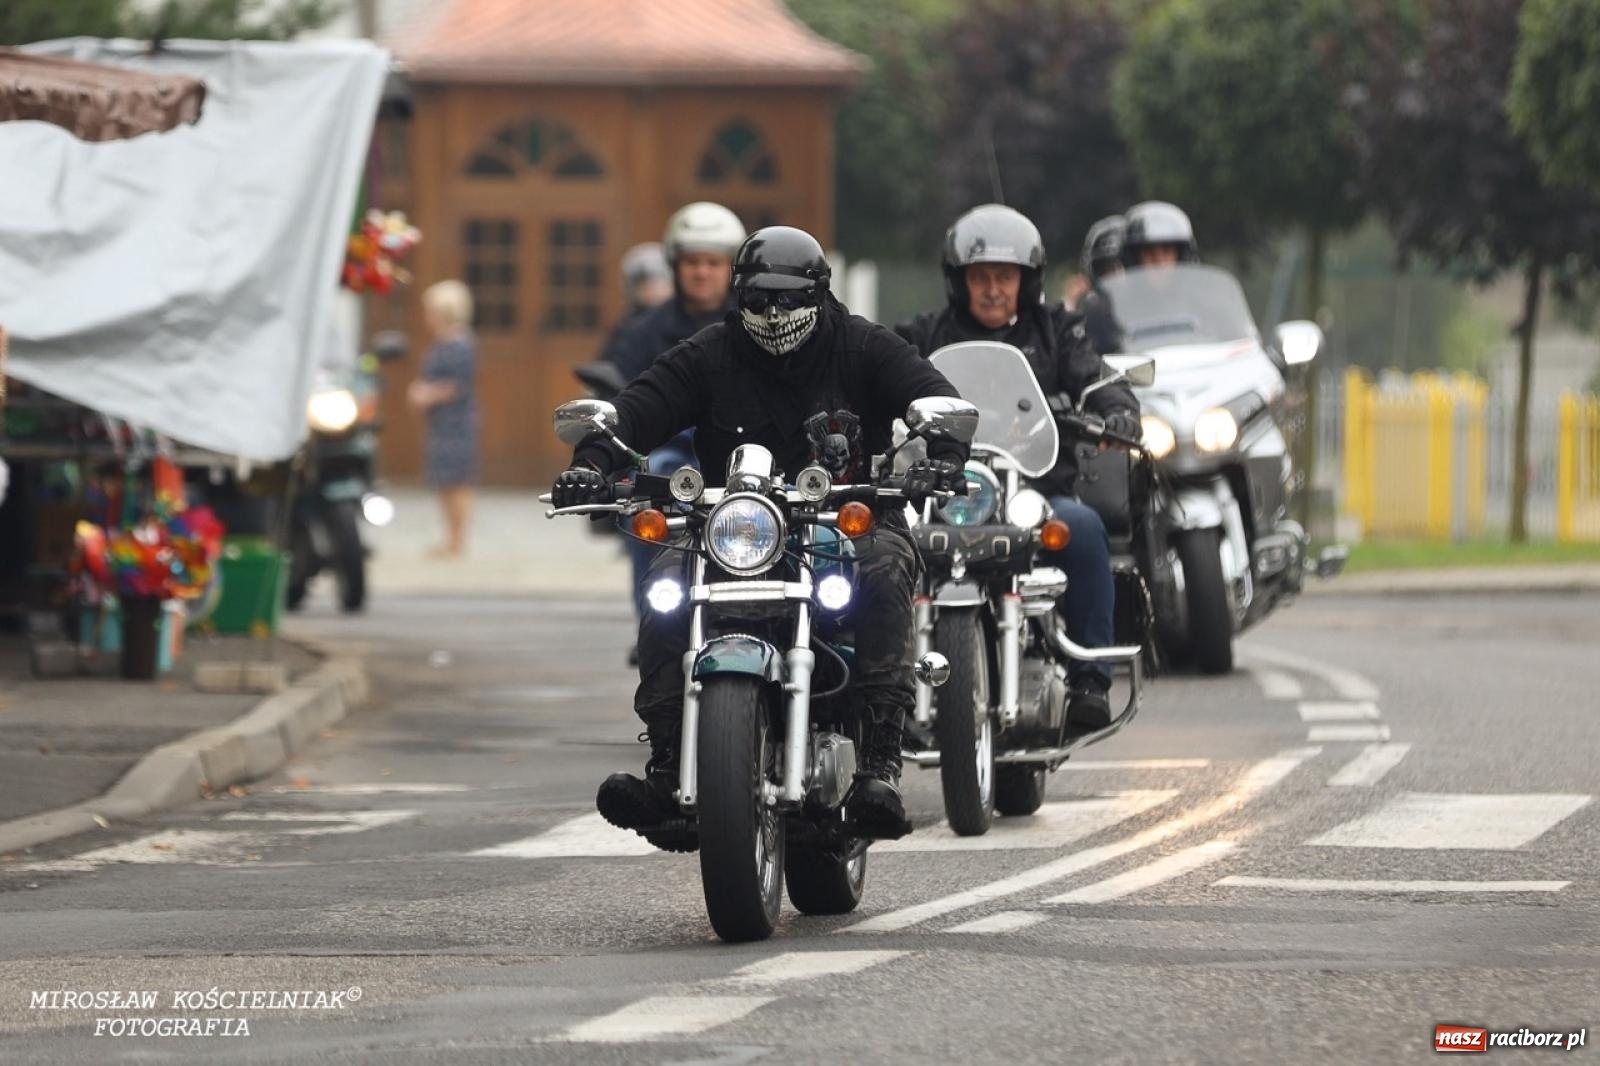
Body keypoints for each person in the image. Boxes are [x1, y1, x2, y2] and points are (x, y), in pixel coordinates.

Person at [552, 226, 969, 841]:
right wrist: (591, 462)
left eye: (787, 299)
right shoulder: (710, 352)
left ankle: (881, 762)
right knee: (667, 580)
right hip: (734, 530)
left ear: (819, 295)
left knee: (884, 562)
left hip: (843, 522)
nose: (773, 313)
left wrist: (943, 450)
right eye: (758, 300)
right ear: (738, 296)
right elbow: (639, 409)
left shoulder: (862, 346)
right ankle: (668, 765)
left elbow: (932, 396)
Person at [895, 204, 1140, 730]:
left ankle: (1089, 680)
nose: (991, 289)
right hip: (945, 493)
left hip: (1033, 489)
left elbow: (1095, 375)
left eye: (1003, 278)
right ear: (958, 281)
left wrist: (1116, 409)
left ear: (1025, 281)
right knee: (884, 542)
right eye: (979, 277)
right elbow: (881, 371)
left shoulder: (1058, 330)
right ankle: (882, 687)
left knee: (1083, 527)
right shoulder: (926, 333)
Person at [597, 204, 746, 644]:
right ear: (676, 266)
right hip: (675, 453)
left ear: (732, 268)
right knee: (650, 483)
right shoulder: (645, 332)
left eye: (713, 262)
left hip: (750, 456)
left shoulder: (759, 323)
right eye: (692, 262)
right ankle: (655, 620)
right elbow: (621, 397)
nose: (702, 272)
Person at [408, 280, 480, 558]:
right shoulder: (442, 342)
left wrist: (426, 394)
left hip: (457, 422)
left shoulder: (461, 343)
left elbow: (458, 385)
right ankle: (449, 537)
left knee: (458, 481)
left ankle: (458, 539)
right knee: (444, 480)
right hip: (440, 422)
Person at [1079, 214, 1128, 354]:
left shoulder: (1164, 305)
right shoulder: (1091, 318)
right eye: (1109, 269)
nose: (1119, 276)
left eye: (1126, 265)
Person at [1121, 200, 1199, 270]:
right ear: (1135, 258)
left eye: (1166, 251)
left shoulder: (1198, 286)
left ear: (1180, 256)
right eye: (1149, 252)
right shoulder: (1116, 286)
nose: (1159, 261)